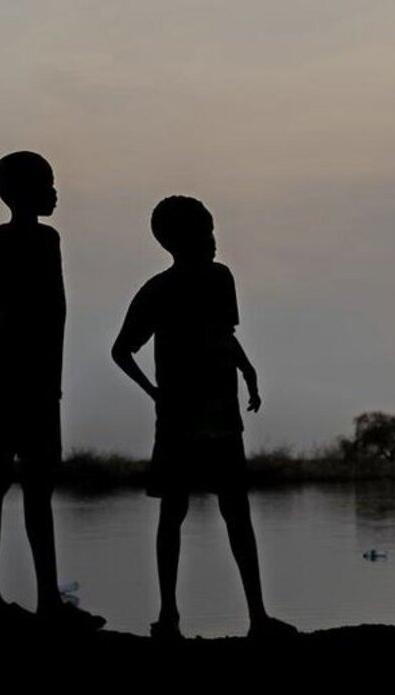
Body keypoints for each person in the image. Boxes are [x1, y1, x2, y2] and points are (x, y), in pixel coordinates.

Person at [111, 195, 296, 640]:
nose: (213, 240)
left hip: (219, 414)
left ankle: (257, 616)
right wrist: (155, 393)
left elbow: (223, 335)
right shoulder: (160, 290)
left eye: (212, 230)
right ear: (176, 240)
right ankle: (170, 616)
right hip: (181, 417)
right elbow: (122, 350)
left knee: (233, 511)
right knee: (178, 512)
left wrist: (248, 371)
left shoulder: (218, 279)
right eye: (204, 232)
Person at [0, 151, 105, 630]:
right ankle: (47, 602)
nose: (55, 192)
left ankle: (42, 600)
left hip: (17, 381)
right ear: (23, 193)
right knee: (37, 490)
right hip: (33, 381)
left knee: (23, 487)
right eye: (48, 183)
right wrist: (51, 383)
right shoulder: (44, 241)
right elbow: (51, 315)